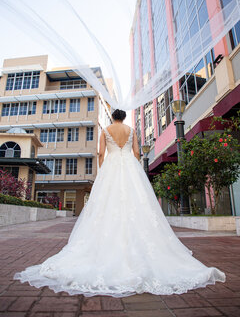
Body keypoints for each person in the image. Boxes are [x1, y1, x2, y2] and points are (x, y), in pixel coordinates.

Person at [13, 109, 226, 297]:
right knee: (138, 204)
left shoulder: (106, 130)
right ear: (123, 118)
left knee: (107, 206)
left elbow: (100, 153)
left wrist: (104, 168)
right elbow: (136, 152)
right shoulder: (131, 130)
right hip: (129, 167)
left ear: (113, 117)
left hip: (112, 167)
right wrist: (130, 161)